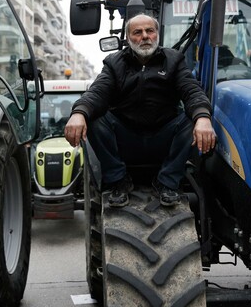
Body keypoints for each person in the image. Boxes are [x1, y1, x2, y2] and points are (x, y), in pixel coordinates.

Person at [64, 14, 216, 207]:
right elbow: (97, 93)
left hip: (164, 137)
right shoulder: (114, 63)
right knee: (93, 118)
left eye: (149, 31)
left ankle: (167, 182)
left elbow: (191, 90)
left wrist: (203, 116)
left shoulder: (173, 60)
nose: (145, 36)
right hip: (126, 138)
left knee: (191, 118)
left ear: (156, 35)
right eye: (138, 32)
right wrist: (79, 113)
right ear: (129, 38)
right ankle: (118, 180)